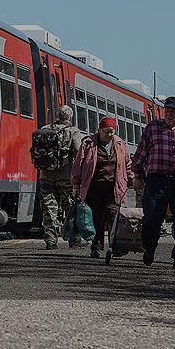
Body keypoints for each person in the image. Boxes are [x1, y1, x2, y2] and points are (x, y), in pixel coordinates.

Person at [131, 96, 175, 270]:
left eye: (173, 111)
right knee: (151, 219)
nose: (168, 114)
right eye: (166, 110)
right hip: (156, 181)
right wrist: (137, 177)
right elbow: (139, 155)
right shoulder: (152, 128)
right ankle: (149, 248)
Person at [71, 117, 132, 258]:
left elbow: (127, 163)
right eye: (106, 131)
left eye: (111, 131)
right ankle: (96, 247)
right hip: (94, 187)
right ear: (99, 130)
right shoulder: (88, 143)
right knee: (96, 218)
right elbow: (78, 164)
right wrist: (76, 184)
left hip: (114, 187)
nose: (109, 134)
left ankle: (115, 245)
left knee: (114, 215)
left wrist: (132, 179)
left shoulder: (120, 143)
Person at [35, 105, 82, 250]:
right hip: (66, 178)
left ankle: (50, 241)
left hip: (45, 176)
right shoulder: (73, 131)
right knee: (70, 208)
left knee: (48, 210)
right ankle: (73, 240)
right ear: (70, 117)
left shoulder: (44, 129)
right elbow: (79, 153)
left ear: (57, 116)